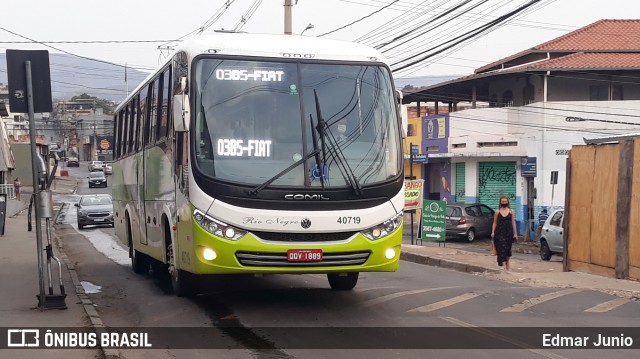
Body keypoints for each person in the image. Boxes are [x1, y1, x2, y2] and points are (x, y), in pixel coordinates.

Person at [491, 195, 518, 270]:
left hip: (509, 233)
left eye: (505, 201)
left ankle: (507, 261)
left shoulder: (511, 211)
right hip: (499, 232)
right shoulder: (497, 212)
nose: (504, 203)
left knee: (508, 249)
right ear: (500, 202)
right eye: (503, 202)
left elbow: (513, 222)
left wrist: (515, 233)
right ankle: (503, 265)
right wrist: (493, 232)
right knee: (502, 248)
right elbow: (495, 222)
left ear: (508, 202)